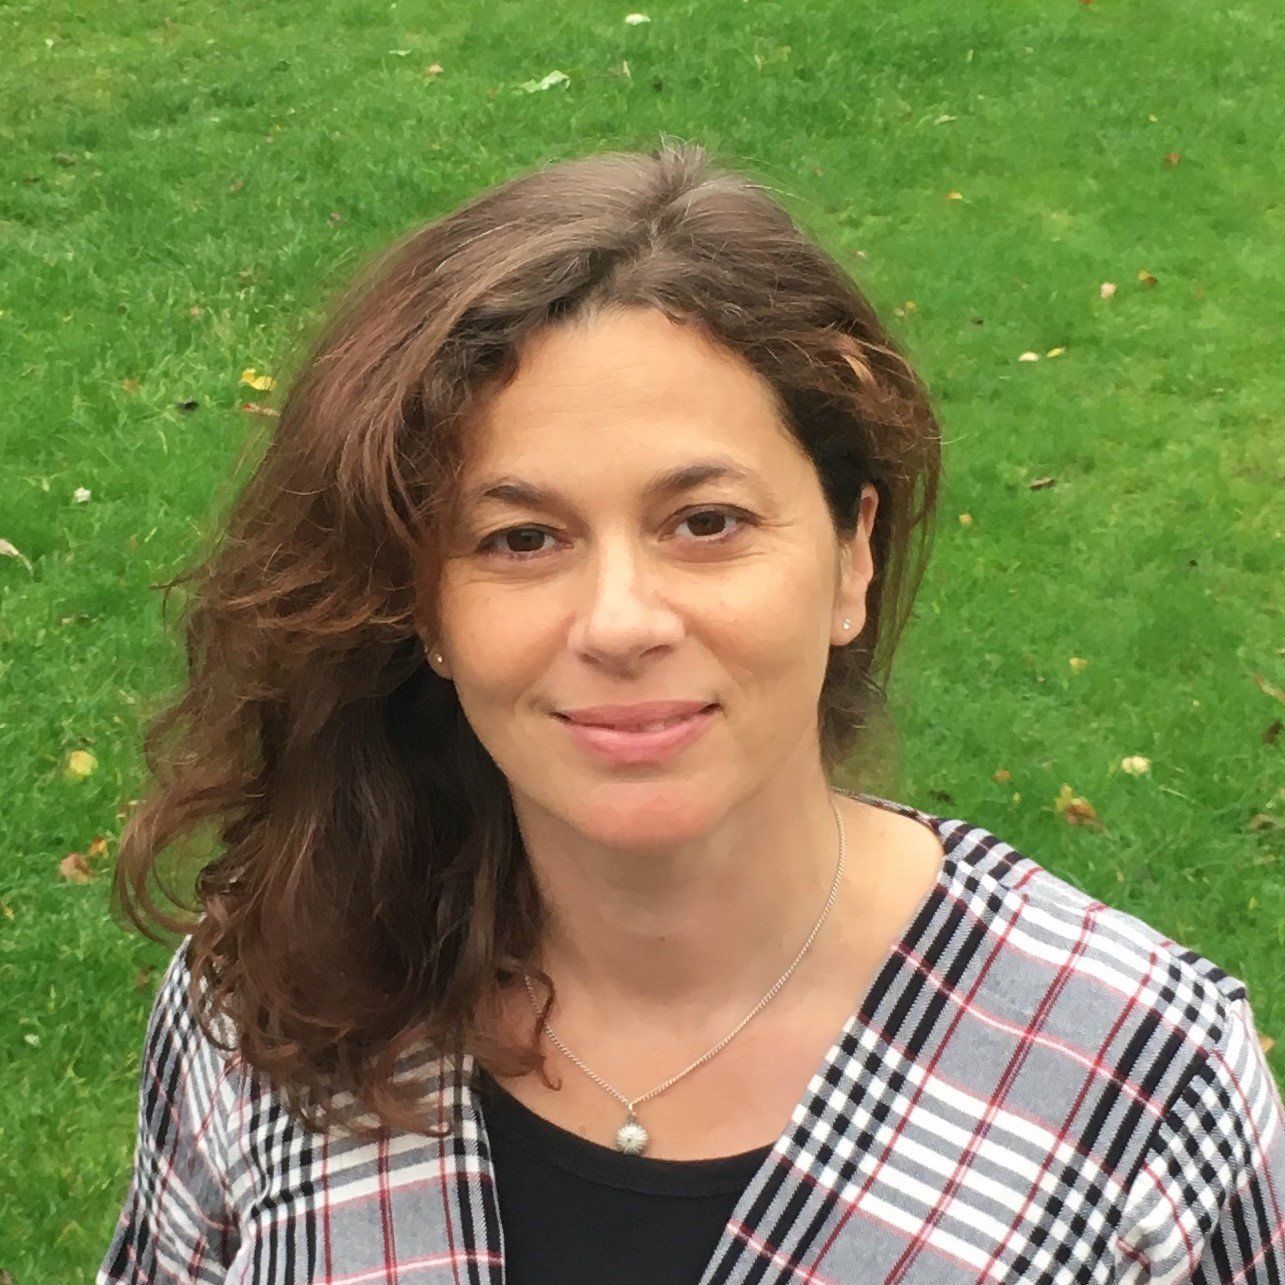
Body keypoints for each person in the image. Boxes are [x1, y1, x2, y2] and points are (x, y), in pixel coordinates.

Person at [98, 142, 1284, 1284]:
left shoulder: (1142, 1089)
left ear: (852, 555)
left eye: (705, 522)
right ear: (423, 608)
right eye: (521, 538)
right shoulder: (276, 996)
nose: (620, 622)